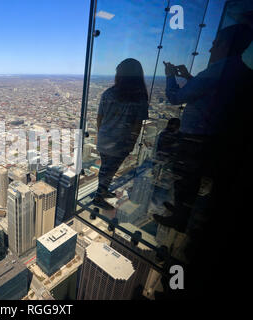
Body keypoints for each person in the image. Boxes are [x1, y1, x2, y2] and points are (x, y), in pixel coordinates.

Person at [154, 24, 253, 232]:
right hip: (215, 137)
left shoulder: (216, 71)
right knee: (193, 178)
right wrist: (190, 77)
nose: (210, 49)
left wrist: (170, 75)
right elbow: (214, 94)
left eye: (215, 44)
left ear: (226, 45)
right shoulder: (242, 72)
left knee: (185, 177)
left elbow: (175, 98)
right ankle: (183, 210)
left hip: (194, 137)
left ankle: (181, 218)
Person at [94, 58, 149, 210]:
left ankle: (102, 192)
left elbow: (99, 118)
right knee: (109, 169)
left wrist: (102, 134)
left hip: (105, 139)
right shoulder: (140, 97)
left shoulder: (108, 93)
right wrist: (131, 143)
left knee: (106, 168)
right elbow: (137, 124)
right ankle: (99, 197)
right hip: (121, 142)